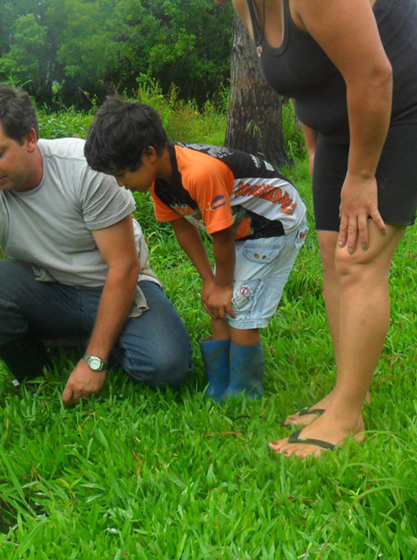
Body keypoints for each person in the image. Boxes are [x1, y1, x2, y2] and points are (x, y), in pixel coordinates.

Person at [157, 0, 417, 457]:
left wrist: (362, 176)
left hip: (412, 104)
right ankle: (346, 391)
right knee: (332, 253)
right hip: (344, 120)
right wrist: (327, 164)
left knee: (358, 257)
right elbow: (302, 84)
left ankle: (347, 417)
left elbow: (374, 75)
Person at [0, 85, 192, 449]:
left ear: (29, 138)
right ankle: (34, 371)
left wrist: (95, 361)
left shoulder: (85, 169)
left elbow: (123, 267)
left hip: (115, 284)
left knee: (168, 367)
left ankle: (92, 345)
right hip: (49, 288)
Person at [85, 97, 308, 402]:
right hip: (242, 227)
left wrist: (224, 285)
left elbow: (222, 236)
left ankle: (244, 394)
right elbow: (183, 228)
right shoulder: (159, 181)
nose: (120, 184)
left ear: (148, 154)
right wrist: (209, 281)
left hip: (275, 221)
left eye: (121, 174)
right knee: (218, 306)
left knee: (238, 307)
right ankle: (219, 385)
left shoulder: (199, 174)